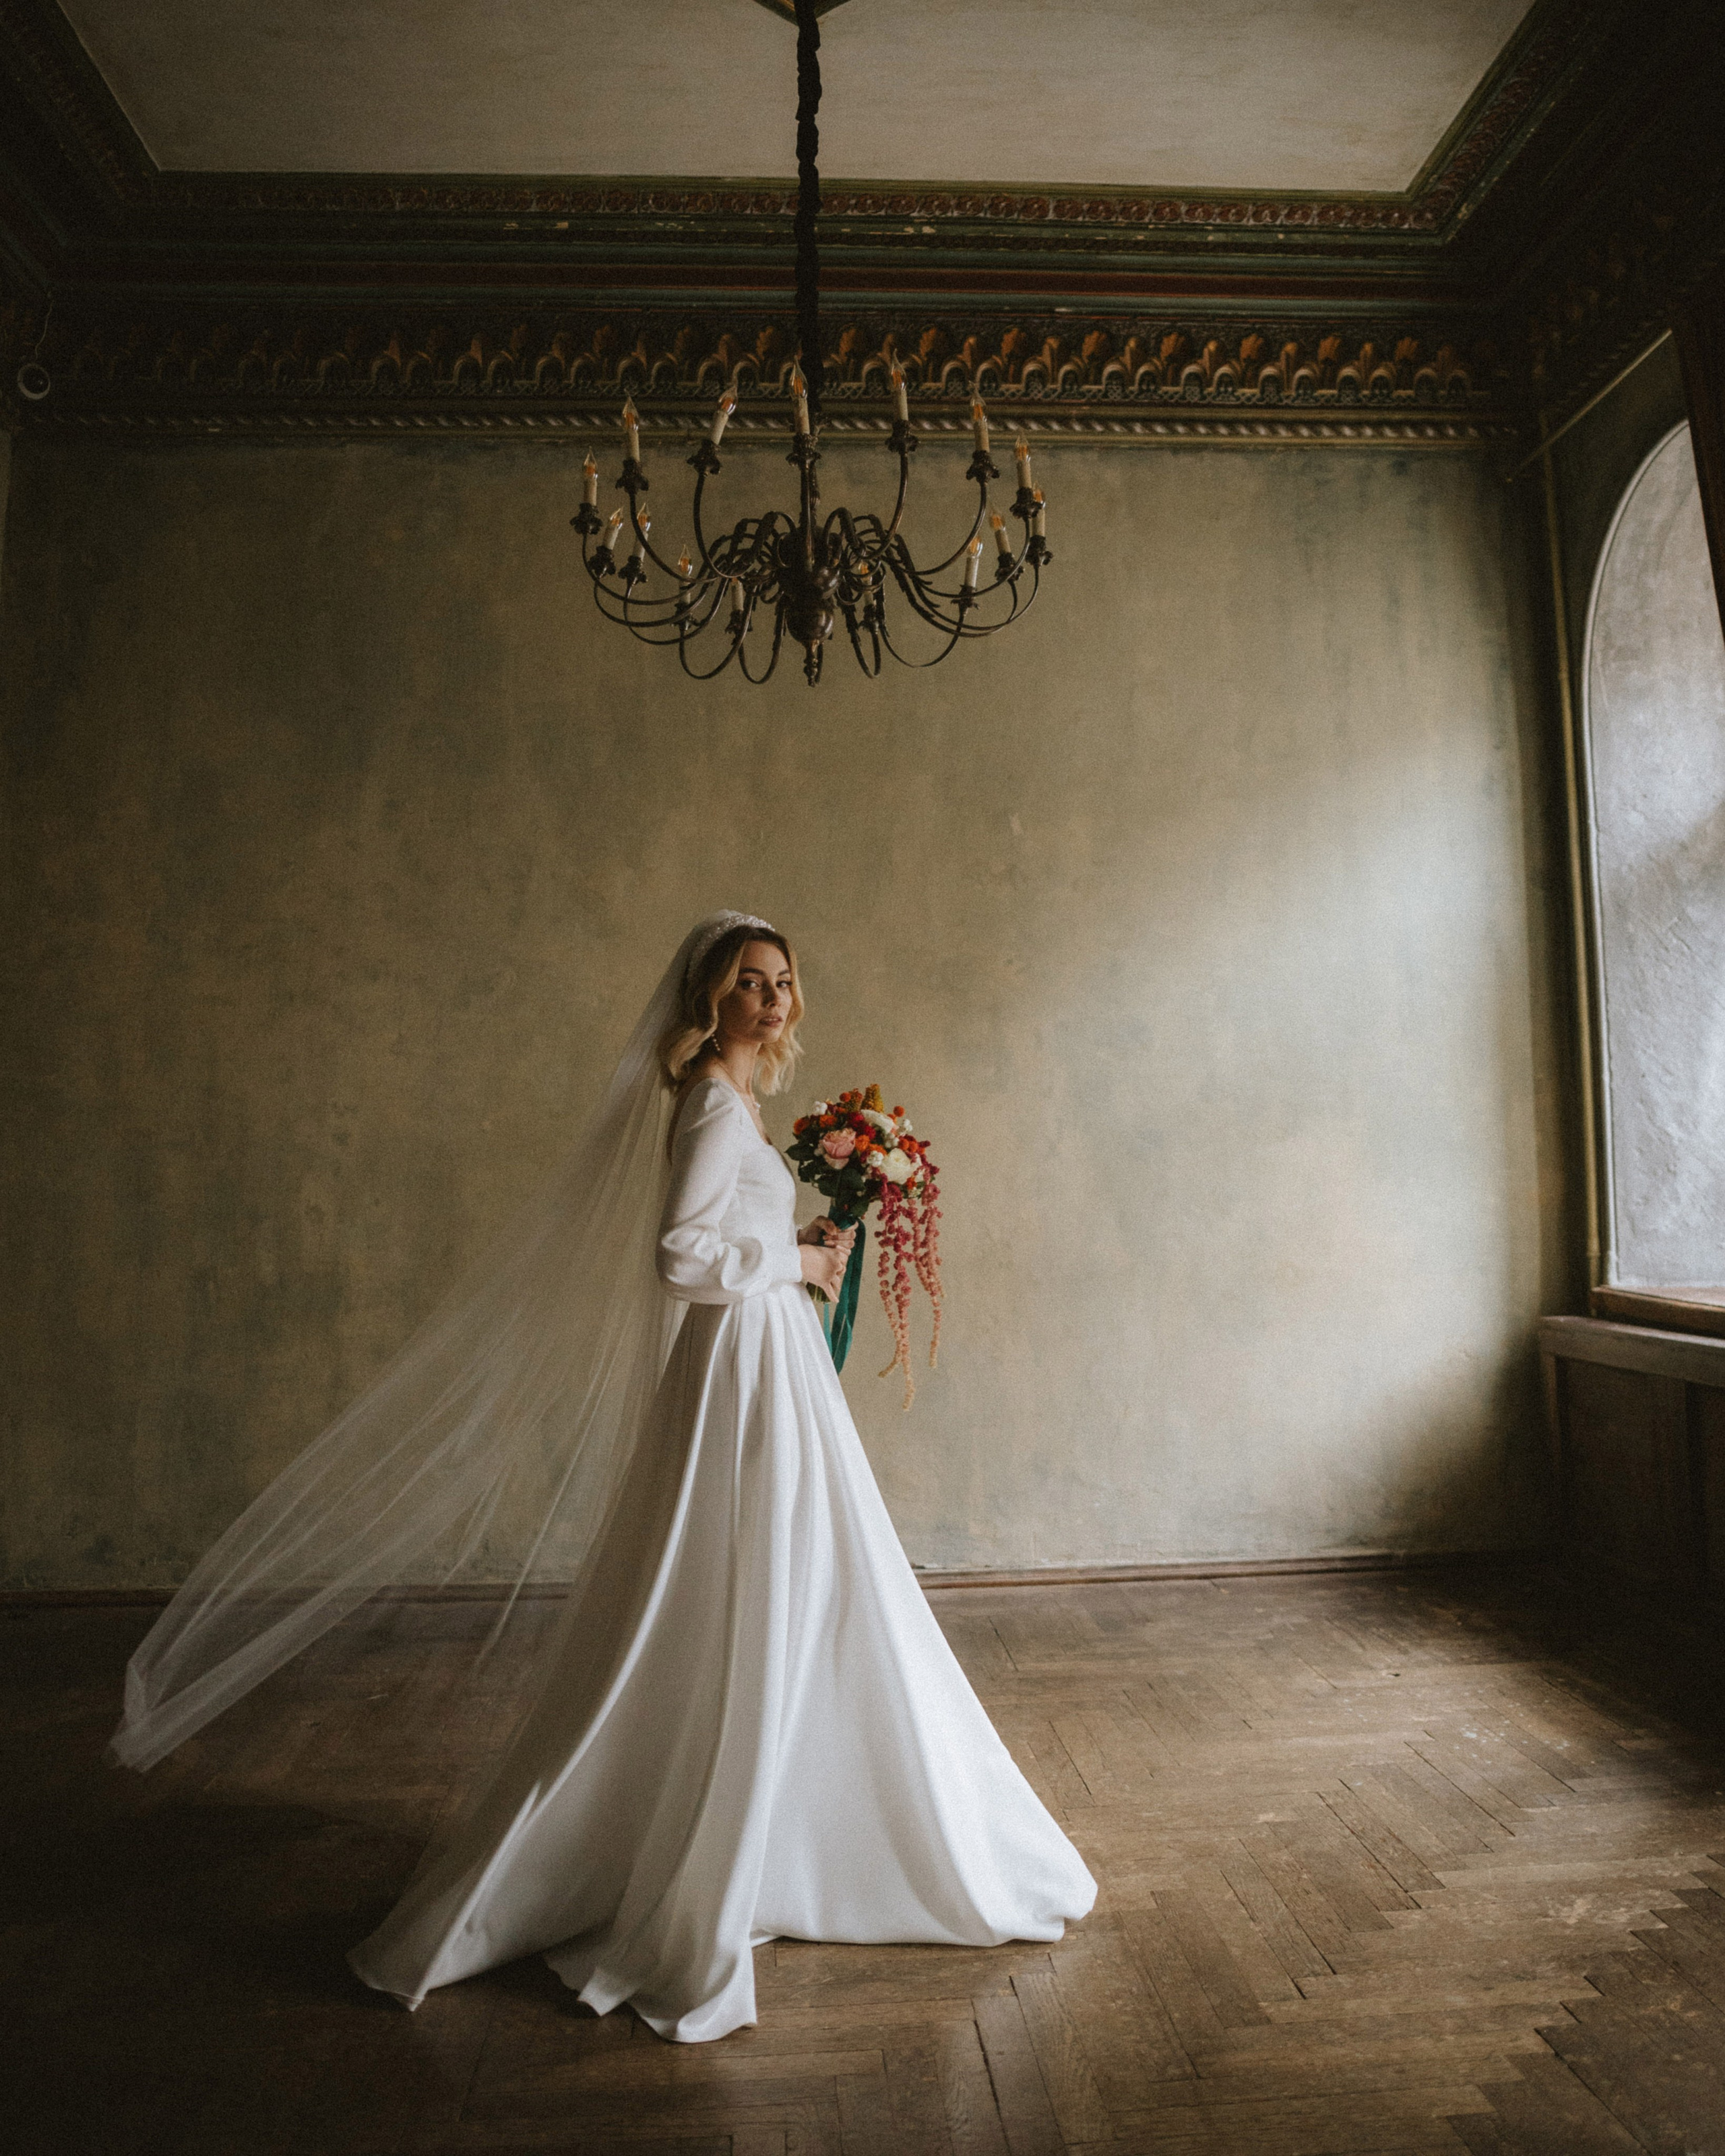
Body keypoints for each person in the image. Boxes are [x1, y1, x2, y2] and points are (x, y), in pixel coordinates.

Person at [113, 912, 1094, 2043]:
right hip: (739, 1369)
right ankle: (728, 1832)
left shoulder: (742, 1110)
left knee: (803, 1570)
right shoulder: (712, 1111)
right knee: (763, 1571)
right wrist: (804, 1258)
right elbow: (680, 1258)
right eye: (748, 983)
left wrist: (810, 1258)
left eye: (782, 982)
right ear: (709, 1000)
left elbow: (731, 1246)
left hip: (765, 1361)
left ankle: (791, 1817)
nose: (773, 1000)